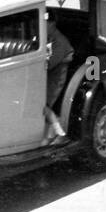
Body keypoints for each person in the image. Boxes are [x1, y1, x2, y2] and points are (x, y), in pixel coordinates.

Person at [43, 12, 74, 143]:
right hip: (48, 77)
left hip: (56, 78)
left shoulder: (59, 41)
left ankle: (59, 133)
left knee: (43, 105)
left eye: (45, 23)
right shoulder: (49, 38)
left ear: (52, 24)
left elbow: (49, 64)